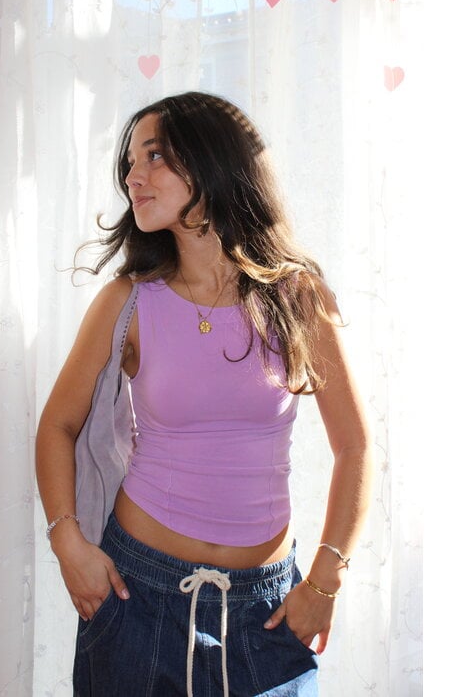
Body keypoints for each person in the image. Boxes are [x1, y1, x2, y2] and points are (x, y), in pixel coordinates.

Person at [36, 91, 373, 696]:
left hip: (266, 614)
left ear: (211, 160)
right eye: (130, 163)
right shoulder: (128, 301)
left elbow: (355, 446)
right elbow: (58, 425)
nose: (133, 177)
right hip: (138, 598)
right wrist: (67, 543)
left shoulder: (299, 297)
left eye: (154, 155)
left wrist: (326, 578)